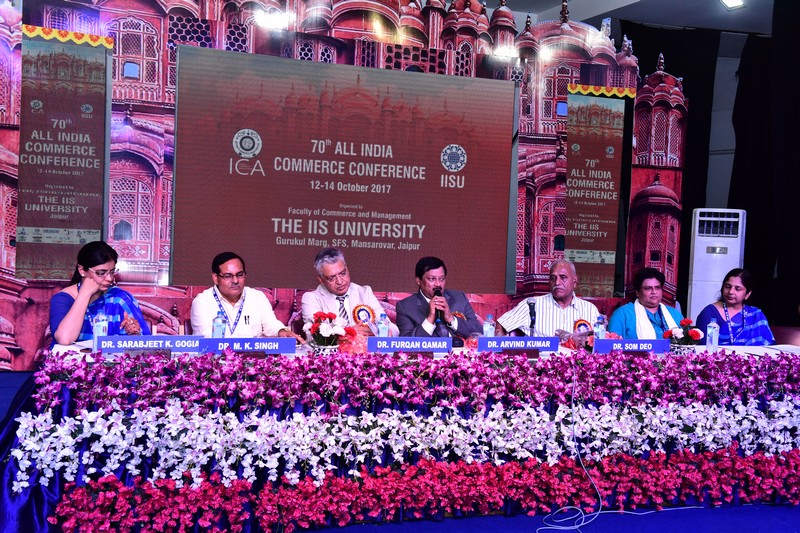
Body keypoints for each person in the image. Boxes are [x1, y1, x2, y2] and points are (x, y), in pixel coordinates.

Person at [49, 241, 150, 348]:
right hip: (72, 358)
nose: (109, 278)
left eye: (112, 272)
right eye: (101, 273)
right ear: (82, 270)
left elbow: (145, 343)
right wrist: (84, 294)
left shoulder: (120, 298)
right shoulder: (63, 299)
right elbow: (64, 339)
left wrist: (133, 332)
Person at [190, 251, 303, 341]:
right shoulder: (202, 301)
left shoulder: (257, 297)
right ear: (215, 278)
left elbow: (271, 324)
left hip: (254, 359)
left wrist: (281, 331)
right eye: (228, 276)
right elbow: (206, 339)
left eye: (240, 275)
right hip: (215, 360)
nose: (235, 280)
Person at [301, 247, 398, 337]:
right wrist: (348, 333)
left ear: (347, 270)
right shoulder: (311, 298)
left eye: (342, 273)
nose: (340, 281)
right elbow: (315, 335)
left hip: (364, 349)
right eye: (331, 278)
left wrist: (380, 331)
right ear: (321, 280)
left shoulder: (364, 293)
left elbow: (394, 330)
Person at [497, 260, 600, 337]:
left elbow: (600, 341)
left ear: (574, 281)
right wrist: (500, 351)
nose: (557, 282)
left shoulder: (590, 310)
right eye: (553, 278)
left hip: (579, 360)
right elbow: (501, 324)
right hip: (542, 359)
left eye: (563, 277)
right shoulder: (532, 305)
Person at [395, 256, 482, 344]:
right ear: (418, 281)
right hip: (429, 352)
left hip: (461, 350)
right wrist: (430, 319)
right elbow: (406, 343)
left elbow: (479, 332)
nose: (438, 284)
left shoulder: (459, 297)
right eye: (432, 279)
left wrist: (451, 319)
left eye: (441, 279)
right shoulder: (405, 307)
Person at [695, 268, 775, 346]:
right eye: (727, 286)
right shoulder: (709, 313)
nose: (731, 292)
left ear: (747, 294)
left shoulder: (755, 315)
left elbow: (767, 347)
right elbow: (703, 348)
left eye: (737, 289)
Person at [608, 267, 683, 339]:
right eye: (648, 288)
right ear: (637, 292)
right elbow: (612, 345)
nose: (654, 292)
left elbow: (686, 343)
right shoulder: (622, 314)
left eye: (657, 287)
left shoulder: (674, 314)